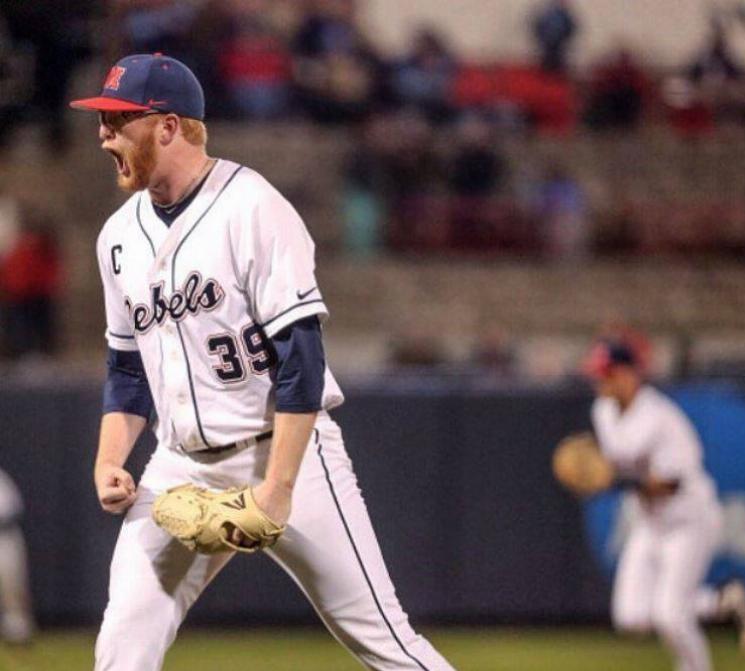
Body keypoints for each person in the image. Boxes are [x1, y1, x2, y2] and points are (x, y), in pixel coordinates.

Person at [69, 53, 455, 671]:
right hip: (178, 466)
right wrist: (109, 460)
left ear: (167, 127)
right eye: (103, 120)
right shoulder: (116, 236)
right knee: (122, 645)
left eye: (118, 120)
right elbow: (127, 368)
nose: (103, 134)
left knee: (385, 643)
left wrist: (277, 489)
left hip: (282, 452)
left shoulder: (252, 206)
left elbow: (302, 358)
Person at [583, 336, 745, 671]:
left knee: (670, 616)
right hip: (651, 524)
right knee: (630, 616)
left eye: (607, 372)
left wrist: (613, 481)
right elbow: (616, 466)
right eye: (598, 373)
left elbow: (670, 483)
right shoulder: (603, 412)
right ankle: (719, 601)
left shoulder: (660, 417)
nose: (600, 380)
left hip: (689, 521)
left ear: (628, 373)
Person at [0, 468, 35, 644]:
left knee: (12, 588)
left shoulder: (2, 479)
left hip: (5, 536)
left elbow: (13, 508)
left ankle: (17, 631)